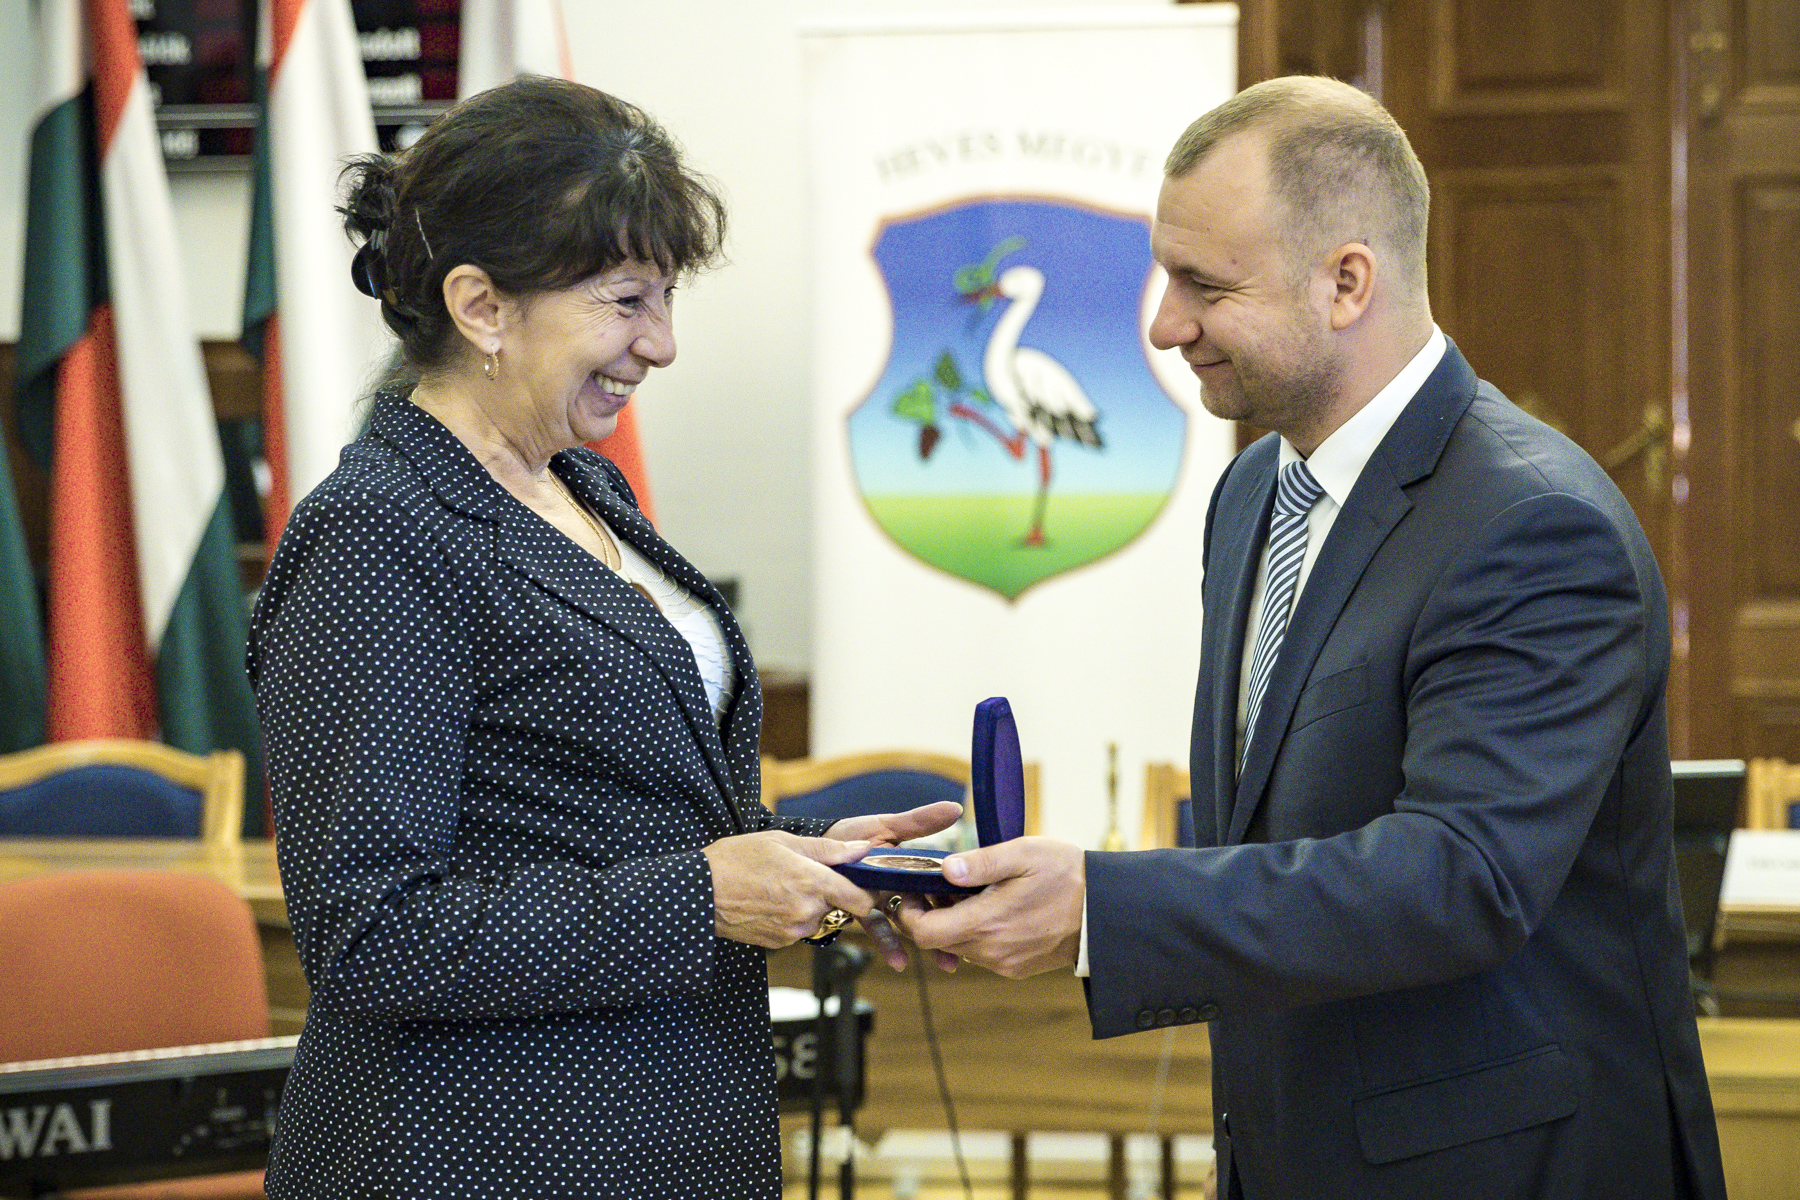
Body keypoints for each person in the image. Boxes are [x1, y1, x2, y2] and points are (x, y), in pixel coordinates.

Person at [894, 76, 1728, 1199]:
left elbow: (1462, 877)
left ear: (1347, 283)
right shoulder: (1252, 496)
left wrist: (1102, 907)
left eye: (1205, 285)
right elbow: (1276, 838)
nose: (1164, 325)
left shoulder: (1534, 523)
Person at [249, 77, 958, 1200]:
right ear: (481, 306)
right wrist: (704, 897)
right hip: (479, 1157)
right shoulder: (379, 529)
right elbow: (372, 931)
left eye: (666, 298)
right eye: (627, 301)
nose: (661, 344)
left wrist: (814, 857)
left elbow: (601, 815)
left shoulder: (584, 489)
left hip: (669, 1130)